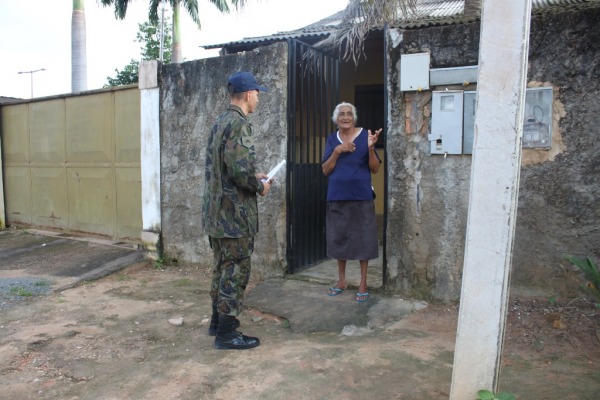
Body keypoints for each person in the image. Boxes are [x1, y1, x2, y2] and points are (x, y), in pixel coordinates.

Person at [202, 71, 271, 350]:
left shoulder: (220, 122)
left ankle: (218, 322)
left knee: (221, 268)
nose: (258, 97)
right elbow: (241, 173)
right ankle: (227, 334)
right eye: (257, 92)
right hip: (234, 217)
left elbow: (227, 167)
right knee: (236, 271)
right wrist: (260, 185)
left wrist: (253, 175)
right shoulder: (239, 124)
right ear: (247, 94)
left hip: (215, 215)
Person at [321, 102, 382, 303]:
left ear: (354, 117)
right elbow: (325, 170)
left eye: (349, 114)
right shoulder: (332, 140)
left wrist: (371, 148)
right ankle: (341, 281)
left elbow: (375, 169)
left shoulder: (366, 136)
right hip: (337, 195)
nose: (345, 117)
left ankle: (363, 283)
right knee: (340, 238)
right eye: (341, 114)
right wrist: (337, 151)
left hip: (361, 196)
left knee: (363, 240)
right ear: (336, 119)